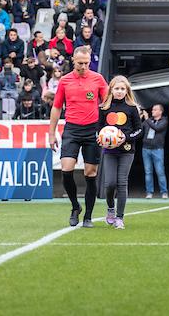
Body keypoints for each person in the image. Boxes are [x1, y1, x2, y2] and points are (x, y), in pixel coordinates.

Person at [48, 46, 109, 227]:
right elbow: (57, 107)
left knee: (90, 173)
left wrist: (109, 128)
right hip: (72, 129)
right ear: (73, 60)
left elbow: (107, 104)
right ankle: (75, 206)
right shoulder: (65, 81)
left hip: (92, 131)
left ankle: (88, 217)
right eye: (80, 63)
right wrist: (52, 133)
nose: (83, 66)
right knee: (66, 170)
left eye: (86, 63)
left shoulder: (98, 79)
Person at [98, 75, 141, 229]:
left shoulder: (132, 108)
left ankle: (120, 218)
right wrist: (100, 138)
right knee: (110, 183)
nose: (120, 91)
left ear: (127, 90)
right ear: (111, 90)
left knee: (122, 183)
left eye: (123, 89)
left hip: (127, 151)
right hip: (110, 151)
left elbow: (139, 130)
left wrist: (126, 138)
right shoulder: (104, 108)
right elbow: (98, 130)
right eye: (117, 88)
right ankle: (110, 208)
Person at [141, 104, 168, 199]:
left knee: (160, 171)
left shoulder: (164, 121)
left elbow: (157, 128)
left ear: (160, 111)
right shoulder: (149, 121)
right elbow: (140, 130)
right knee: (148, 172)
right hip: (146, 149)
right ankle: (149, 193)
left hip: (158, 149)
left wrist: (147, 118)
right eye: (152, 109)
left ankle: (164, 192)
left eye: (155, 110)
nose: (152, 111)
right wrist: (141, 119)